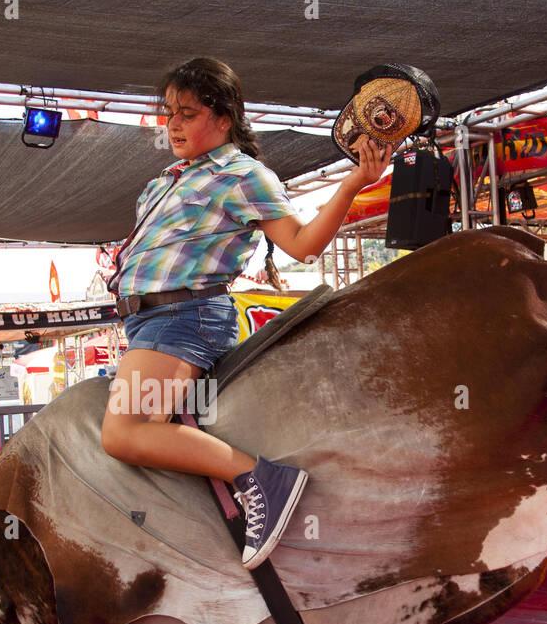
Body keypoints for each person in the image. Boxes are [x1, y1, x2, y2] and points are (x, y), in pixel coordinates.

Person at [99, 57, 390, 569]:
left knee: (122, 433)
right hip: (146, 321)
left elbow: (301, 245)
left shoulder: (244, 175)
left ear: (223, 119)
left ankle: (262, 479)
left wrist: (350, 185)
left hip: (185, 317)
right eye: (168, 113)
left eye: (187, 114)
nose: (172, 125)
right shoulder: (161, 182)